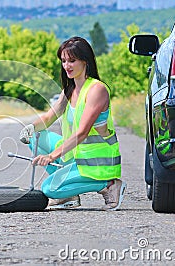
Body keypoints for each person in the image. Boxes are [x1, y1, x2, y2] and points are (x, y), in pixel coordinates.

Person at [20, 36, 126, 211]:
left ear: (85, 61)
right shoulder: (70, 90)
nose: (66, 66)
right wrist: (30, 128)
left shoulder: (96, 90)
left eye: (72, 60)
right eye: (63, 61)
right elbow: (48, 118)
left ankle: (108, 185)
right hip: (76, 155)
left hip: (95, 164)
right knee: (35, 138)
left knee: (49, 189)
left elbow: (82, 132)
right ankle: (68, 195)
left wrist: (52, 156)